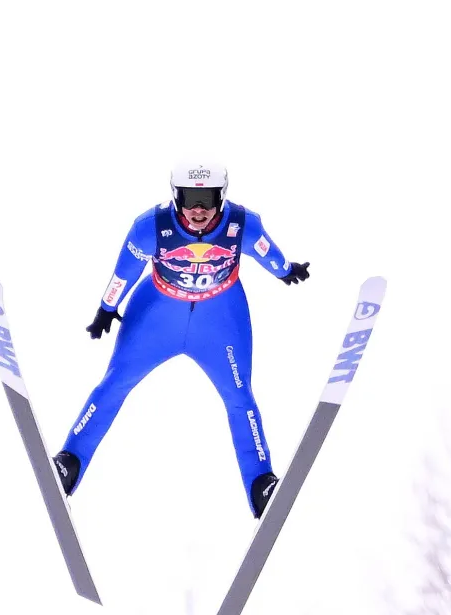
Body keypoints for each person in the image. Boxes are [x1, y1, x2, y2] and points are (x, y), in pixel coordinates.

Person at [51, 160, 310, 518]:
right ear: (176, 197)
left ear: (222, 197)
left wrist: (285, 271)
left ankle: (261, 483)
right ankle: (70, 461)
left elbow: (266, 249)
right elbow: (124, 270)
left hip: (220, 319)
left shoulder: (241, 224)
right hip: (157, 315)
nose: (198, 210)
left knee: (240, 396)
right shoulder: (150, 227)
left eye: (207, 199)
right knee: (115, 382)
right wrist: (106, 308)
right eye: (190, 198)